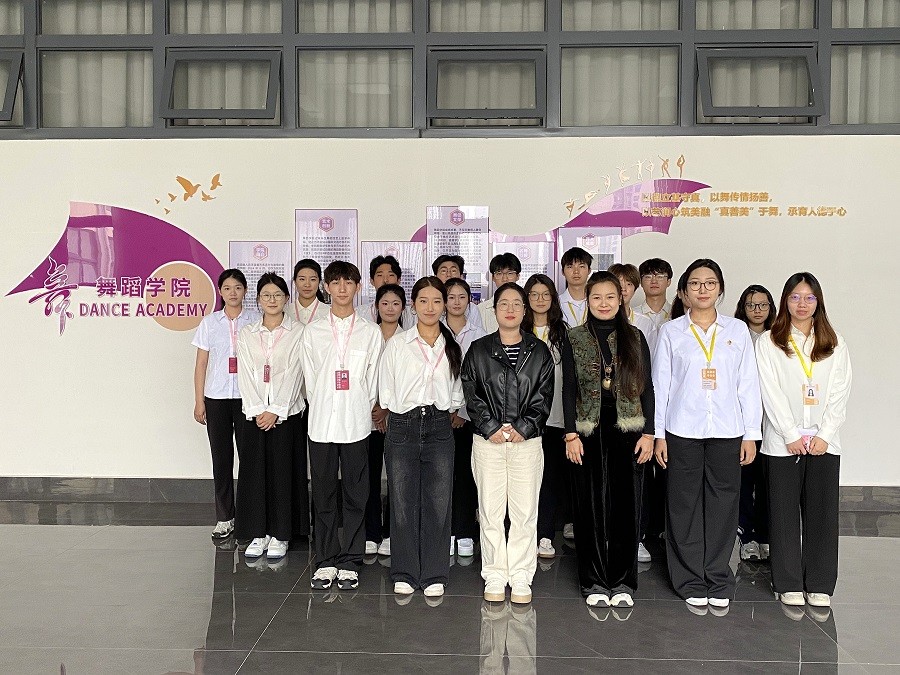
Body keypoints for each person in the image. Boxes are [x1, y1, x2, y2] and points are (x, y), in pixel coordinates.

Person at [653, 258, 761, 610]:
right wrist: (659, 434)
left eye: (710, 283)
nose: (703, 289)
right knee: (683, 505)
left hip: (727, 430)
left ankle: (717, 575)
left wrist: (750, 433)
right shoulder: (671, 332)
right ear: (684, 291)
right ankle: (688, 579)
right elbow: (660, 385)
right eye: (695, 283)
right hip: (681, 429)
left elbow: (748, 384)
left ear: (720, 289)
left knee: (723, 505)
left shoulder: (737, 331)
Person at [755, 272, 851, 608]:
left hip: (825, 443)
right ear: (785, 301)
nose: (802, 304)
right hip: (783, 443)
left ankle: (820, 583)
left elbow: (840, 391)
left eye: (809, 297)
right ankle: (787, 582)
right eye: (795, 297)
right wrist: (790, 433)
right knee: (782, 514)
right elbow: (770, 391)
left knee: (822, 514)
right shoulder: (770, 341)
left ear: (818, 301)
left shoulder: (834, 342)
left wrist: (824, 435)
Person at [562, 271, 655, 608]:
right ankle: (593, 581)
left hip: (628, 430)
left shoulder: (635, 337)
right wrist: (570, 434)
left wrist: (649, 432)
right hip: (587, 429)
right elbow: (568, 387)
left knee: (625, 507)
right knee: (588, 507)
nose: (604, 303)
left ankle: (622, 581)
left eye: (610, 297)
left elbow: (647, 387)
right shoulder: (574, 337)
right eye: (596, 297)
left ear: (621, 299)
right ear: (588, 301)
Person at [461, 283, 555, 604]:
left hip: (526, 443)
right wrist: (490, 426)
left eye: (517, 303)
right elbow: (471, 392)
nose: (511, 309)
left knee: (524, 511)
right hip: (487, 442)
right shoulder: (478, 349)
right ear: (495, 310)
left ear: (525, 310)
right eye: (504, 303)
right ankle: (495, 574)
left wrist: (523, 427)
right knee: (490, 510)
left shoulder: (538, 351)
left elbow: (544, 396)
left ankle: (521, 575)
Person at [300, 261, 383, 591]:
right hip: (321, 422)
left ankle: (350, 560)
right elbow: (309, 380)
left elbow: (373, 379)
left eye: (349, 282)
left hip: (356, 423)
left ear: (358, 287)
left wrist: (360, 404)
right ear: (327, 287)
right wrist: (325, 400)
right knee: (323, 494)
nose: (342, 288)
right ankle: (325, 560)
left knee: (355, 493)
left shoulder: (370, 332)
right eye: (335, 282)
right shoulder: (313, 332)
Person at [379, 277, 464, 598]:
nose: (430, 307)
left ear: (444, 306)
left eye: (437, 301)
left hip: (439, 426)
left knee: (438, 502)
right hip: (403, 424)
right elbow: (386, 389)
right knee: (402, 501)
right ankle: (404, 570)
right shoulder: (398, 344)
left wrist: (447, 409)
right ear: (413, 305)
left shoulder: (451, 344)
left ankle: (434, 572)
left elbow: (457, 390)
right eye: (423, 301)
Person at [234, 272, 305, 560]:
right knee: (254, 473)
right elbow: (244, 373)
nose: (272, 300)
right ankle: (258, 532)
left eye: (277, 295)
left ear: (287, 298)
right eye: (266, 295)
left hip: (287, 414)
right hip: (254, 415)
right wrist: (257, 409)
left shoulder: (299, 331)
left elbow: (296, 372)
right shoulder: (247, 333)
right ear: (258, 300)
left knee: (283, 474)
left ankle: (281, 534)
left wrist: (276, 409)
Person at [192, 269, 260, 540]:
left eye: (238, 287)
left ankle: (248, 516)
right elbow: (201, 364)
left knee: (249, 459)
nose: (233, 292)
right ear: (220, 291)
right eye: (228, 288)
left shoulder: (255, 320)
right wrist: (199, 401)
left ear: (245, 291)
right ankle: (224, 517)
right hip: (216, 398)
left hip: (247, 398)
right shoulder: (210, 323)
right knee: (221, 459)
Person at [609, 262, 659, 565]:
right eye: (618, 284)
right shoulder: (592, 324)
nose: (623, 289)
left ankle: (637, 537)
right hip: (604, 413)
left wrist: (650, 428)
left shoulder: (643, 326)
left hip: (635, 411)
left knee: (636, 480)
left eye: (628, 284)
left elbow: (648, 376)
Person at [521, 273, 570, 560]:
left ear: (553, 298)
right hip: (523, 420)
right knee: (523, 481)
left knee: (548, 480)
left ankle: (545, 535)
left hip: (554, 419)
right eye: (534, 294)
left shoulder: (563, 333)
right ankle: (522, 535)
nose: (540, 300)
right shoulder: (517, 330)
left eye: (545, 294)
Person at [734, 284, 777, 562]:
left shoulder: (779, 337)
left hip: (772, 422)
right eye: (751, 305)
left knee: (768, 484)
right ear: (743, 308)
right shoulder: (734, 336)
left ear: (771, 308)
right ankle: (747, 536)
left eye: (762, 305)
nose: (757, 310)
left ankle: (765, 536)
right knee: (743, 483)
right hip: (742, 424)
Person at [444, 277, 486, 558]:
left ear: (469, 301)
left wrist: (460, 412)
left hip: (469, 417)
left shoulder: (479, 334)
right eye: (451, 297)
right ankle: (445, 531)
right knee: (442, 476)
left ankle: (465, 532)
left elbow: (480, 378)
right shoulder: (433, 329)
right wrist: (447, 410)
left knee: (466, 475)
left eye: (462, 297)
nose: (457, 302)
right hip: (438, 415)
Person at [365, 283, 406, 558]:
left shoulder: (408, 338)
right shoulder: (367, 335)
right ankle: (370, 533)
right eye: (385, 303)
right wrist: (375, 408)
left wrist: (386, 409)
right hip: (368, 419)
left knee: (396, 479)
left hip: (397, 419)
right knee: (367, 478)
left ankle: (392, 533)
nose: (390, 308)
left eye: (395, 303)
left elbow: (407, 381)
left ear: (403, 308)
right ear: (377, 306)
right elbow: (360, 375)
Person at [357, 255, 414, 326]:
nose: (385, 280)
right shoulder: (360, 313)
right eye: (380, 275)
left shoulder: (412, 315)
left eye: (391, 275)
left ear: (399, 280)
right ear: (372, 281)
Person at [479, 252, 521, 333]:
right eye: (499, 273)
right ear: (493, 277)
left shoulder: (526, 307)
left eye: (510, 273)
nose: (505, 279)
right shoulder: (481, 310)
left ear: (518, 276)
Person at [559, 247, 593, 328]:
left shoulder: (597, 302)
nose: (576, 271)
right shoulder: (556, 304)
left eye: (581, 266)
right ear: (563, 272)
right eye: (570, 267)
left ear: (589, 270)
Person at [637, 258, 673, 327]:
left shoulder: (677, 314)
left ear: (668, 281)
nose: (654, 281)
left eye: (660, 277)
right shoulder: (632, 315)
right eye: (648, 277)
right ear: (641, 282)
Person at [292, 259, 327, 326]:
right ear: (295, 282)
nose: (307, 285)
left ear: (319, 282)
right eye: (302, 279)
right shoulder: (285, 312)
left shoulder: (328, 313)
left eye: (312, 279)